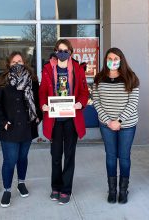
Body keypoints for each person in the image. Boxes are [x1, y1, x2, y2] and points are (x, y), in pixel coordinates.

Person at [39, 39, 89, 205]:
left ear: (70, 52)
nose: (62, 53)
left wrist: (80, 103)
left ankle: (66, 189)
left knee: (69, 156)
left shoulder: (77, 69)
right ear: (55, 51)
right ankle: (56, 187)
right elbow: (42, 93)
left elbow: (84, 92)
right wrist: (43, 105)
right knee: (55, 155)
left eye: (65, 50)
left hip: (71, 120)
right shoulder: (47, 69)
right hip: (54, 120)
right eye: (59, 50)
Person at [0, 51, 42, 208]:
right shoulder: (1, 81)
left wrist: (38, 117)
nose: (17, 64)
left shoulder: (32, 80)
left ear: (24, 62)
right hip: (9, 128)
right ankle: (7, 190)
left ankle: (21, 183)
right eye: (14, 62)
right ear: (8, 64)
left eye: (20, 61)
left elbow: (38, 100)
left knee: (22, 158)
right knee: (9, 161)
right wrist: (3, 122)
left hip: (27, 127)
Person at [93, 47, 139, 204]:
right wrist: (108, 121)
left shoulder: (131, 78)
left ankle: (123, 190)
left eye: (116, 59)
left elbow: (133, 103)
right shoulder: (99, 79)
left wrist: (118, 121)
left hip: (127, 125)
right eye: (109, 59)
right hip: (106, 125)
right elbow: (96, 102)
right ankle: (112, 190)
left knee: (124, 157)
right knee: (111, 157)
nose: (113, 62)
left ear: (121, 60)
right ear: (106, 61)